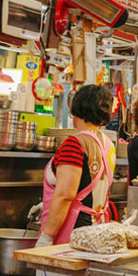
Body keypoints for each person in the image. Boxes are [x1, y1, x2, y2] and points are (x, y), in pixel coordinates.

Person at [36, 85, 116, 247]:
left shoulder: (75, 144)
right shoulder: (107, 143)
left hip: (71, 234)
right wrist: (46, 205)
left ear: (75, 109)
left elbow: (66, 195)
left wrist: (47, 237)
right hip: (97, 230)